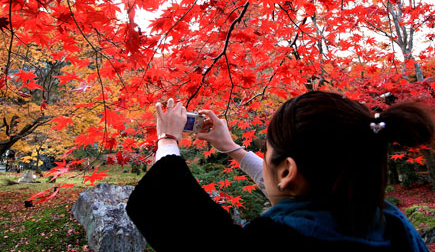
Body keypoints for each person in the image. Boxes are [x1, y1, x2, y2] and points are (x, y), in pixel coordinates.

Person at [126, 91, 434, 252]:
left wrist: (167, 140)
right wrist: (231, 147)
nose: (267, 161)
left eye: (268, 152)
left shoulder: (276, 243)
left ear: (287, 171)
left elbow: (172, 213)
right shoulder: (391, 224)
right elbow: (291, 187)